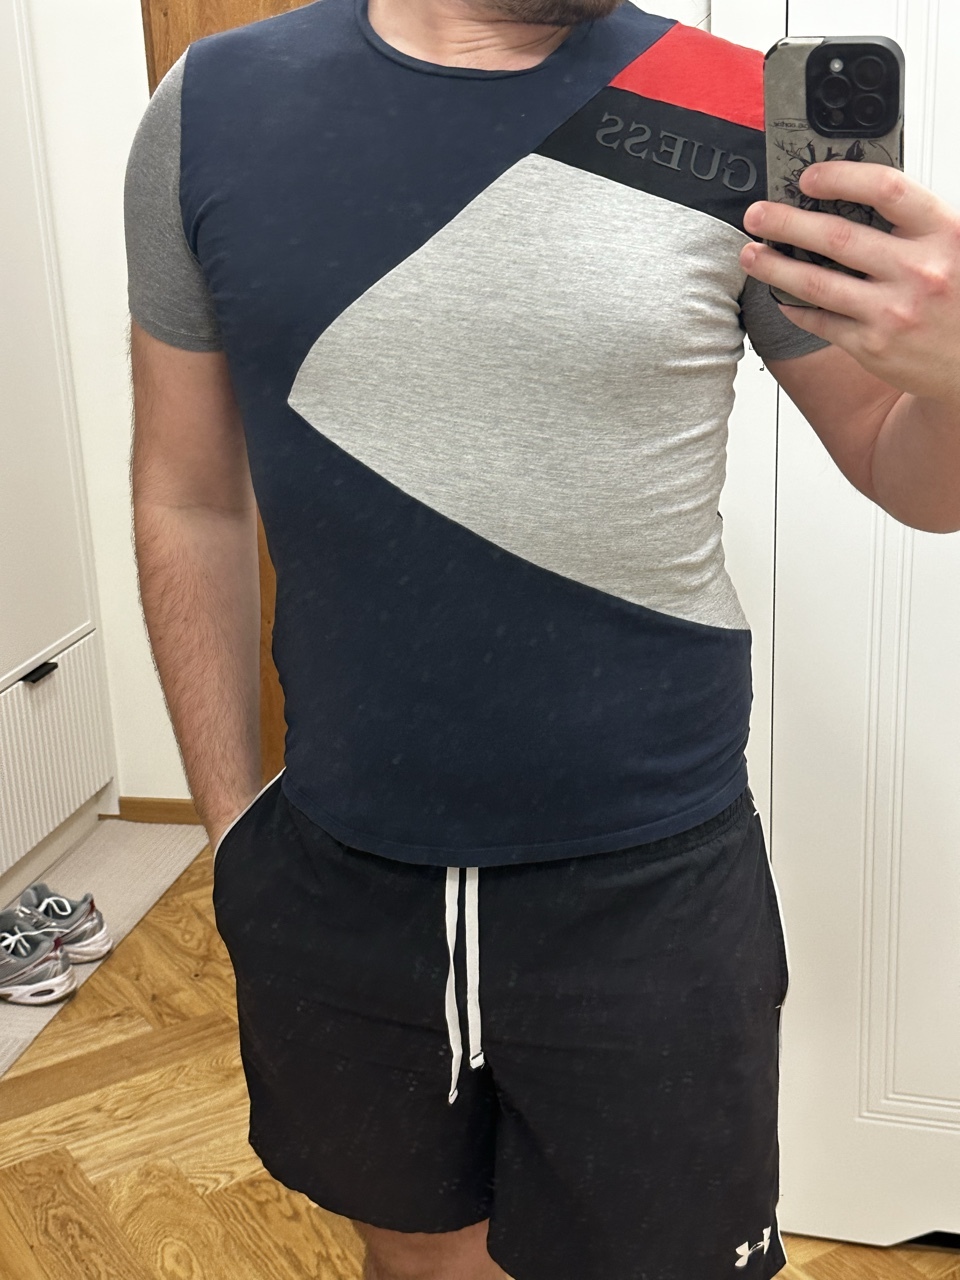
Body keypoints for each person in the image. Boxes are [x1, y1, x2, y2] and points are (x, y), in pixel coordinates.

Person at [123, 0, 960, 1274]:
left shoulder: (733, 109)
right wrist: (233, 825)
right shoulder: (212, 106)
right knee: (418, 1259)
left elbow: (915, 477)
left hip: (652, 893)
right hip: (336, 877)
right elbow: (186, 494)